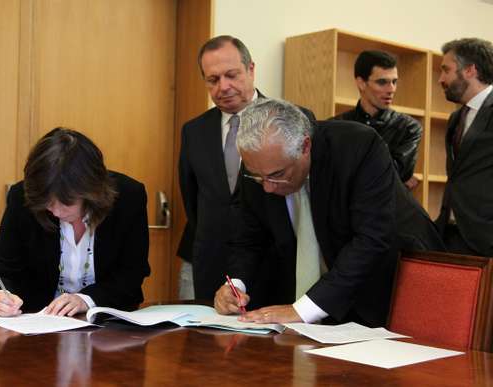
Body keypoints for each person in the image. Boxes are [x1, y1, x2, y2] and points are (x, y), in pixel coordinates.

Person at [214, 98, 444, 327]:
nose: (267, 187)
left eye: (277, 174)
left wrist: (303, 309)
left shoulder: (358, 146)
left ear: (305, 146)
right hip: (319, 303)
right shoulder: (260, 164)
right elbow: (248, 237)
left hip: (390, 285)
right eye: (258, 176)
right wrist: (235, 285)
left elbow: (371, 239)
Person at [178, 35, 314, 303]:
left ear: (251, 69)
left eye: (231, 75)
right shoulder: (194, 131)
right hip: (210, 261)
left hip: (272, 266)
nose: (223, 87)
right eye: (213, 80)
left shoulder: (293, 119)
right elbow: (191, 198)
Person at [0, 128, 150, 317]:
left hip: (108, 326)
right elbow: (2, 271)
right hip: (38, 326)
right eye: (47, 202)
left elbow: (132, 275)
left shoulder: (128, 197)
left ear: (91, 191)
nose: (55, 211)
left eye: (66, 202)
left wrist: (85, 300)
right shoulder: (22, 198)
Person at [435, 38, 493, 256]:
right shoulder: (456, 118)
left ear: (470, 70)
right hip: (451, 236)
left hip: (486, 240)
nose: (441, 79)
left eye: (445, 70)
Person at [333, 50, 422, 190]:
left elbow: (395, 175)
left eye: (394, 82)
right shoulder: (335, 126)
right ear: (361, 83)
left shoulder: (409, 127)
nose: (391, 89)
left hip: (387, 210)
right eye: (382, 82)